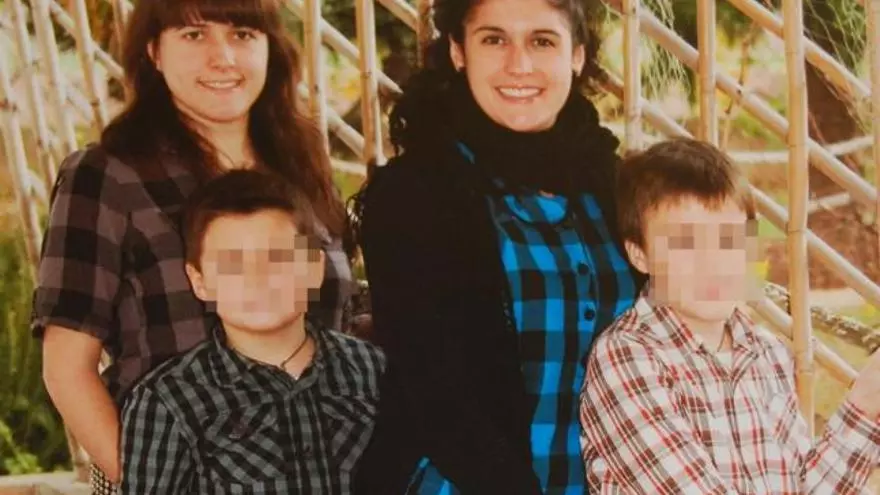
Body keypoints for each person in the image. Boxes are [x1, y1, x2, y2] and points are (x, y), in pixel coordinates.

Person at [31, 1, 352, 492]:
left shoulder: (302, 170)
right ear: (154, 52)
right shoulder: (106, 176)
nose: (223, 57)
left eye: (242, 34)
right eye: (194, 35)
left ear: (271, 49)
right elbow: (67, 368)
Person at [349, 0, 642, 492]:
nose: (518, 64)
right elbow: (437, 394)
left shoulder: (616, 187)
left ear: (576, 54)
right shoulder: (413, 194)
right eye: (494, 39)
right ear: (458, 52)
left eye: (542, 41)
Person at [580, 138, 880, 494]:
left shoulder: (767, 353)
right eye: (686, 243)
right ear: (640, 255)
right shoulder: (626, 358)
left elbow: (807, 488)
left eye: (729, 240)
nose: (713, 264)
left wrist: (865, 401)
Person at [119, 170, 385, 494]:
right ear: (199, 282)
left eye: (277, 259)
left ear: (314, 269)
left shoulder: (373, 370)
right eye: (232, 265)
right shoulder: (167, 401)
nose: (257, 279)